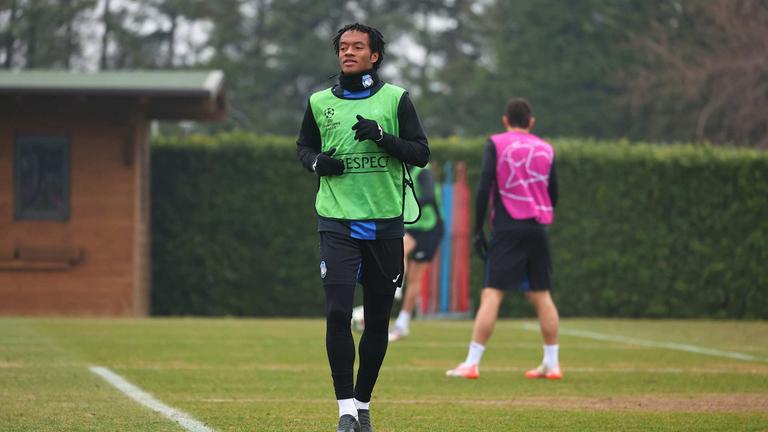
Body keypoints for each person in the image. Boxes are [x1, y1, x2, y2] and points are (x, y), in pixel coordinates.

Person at [296, 23, 429, 432]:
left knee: (376, 321)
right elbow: (304, 148)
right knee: (337, 313)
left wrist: (384, 137)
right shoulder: (319, 102)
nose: (348, 53)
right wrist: (319, 163)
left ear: (375, 56)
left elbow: (420, 153)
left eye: (357, 47)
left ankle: (363, 403)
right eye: (343, 47)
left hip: (386, 225)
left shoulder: (396, 99)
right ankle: (345, 412)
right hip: (336, 222)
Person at [445, 98, 561, 380]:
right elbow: (553, 192)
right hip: (538, 227)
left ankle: (472, 363)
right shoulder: (546, 148)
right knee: (541, 294)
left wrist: (477, 230)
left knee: (492, 293)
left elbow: (485, 186)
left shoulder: (496, 143)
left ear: (505, 120)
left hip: (508, 226)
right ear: (531, 122)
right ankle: (552, 363)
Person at [388, 163, 443, 342]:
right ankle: (398, 283)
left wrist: (407, 204)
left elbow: (428, 196)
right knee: (399, 247)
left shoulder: (423, 172)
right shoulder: (401, 170)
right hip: (413, 226)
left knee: (415, 278)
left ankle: (402, 322)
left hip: (430, 227)